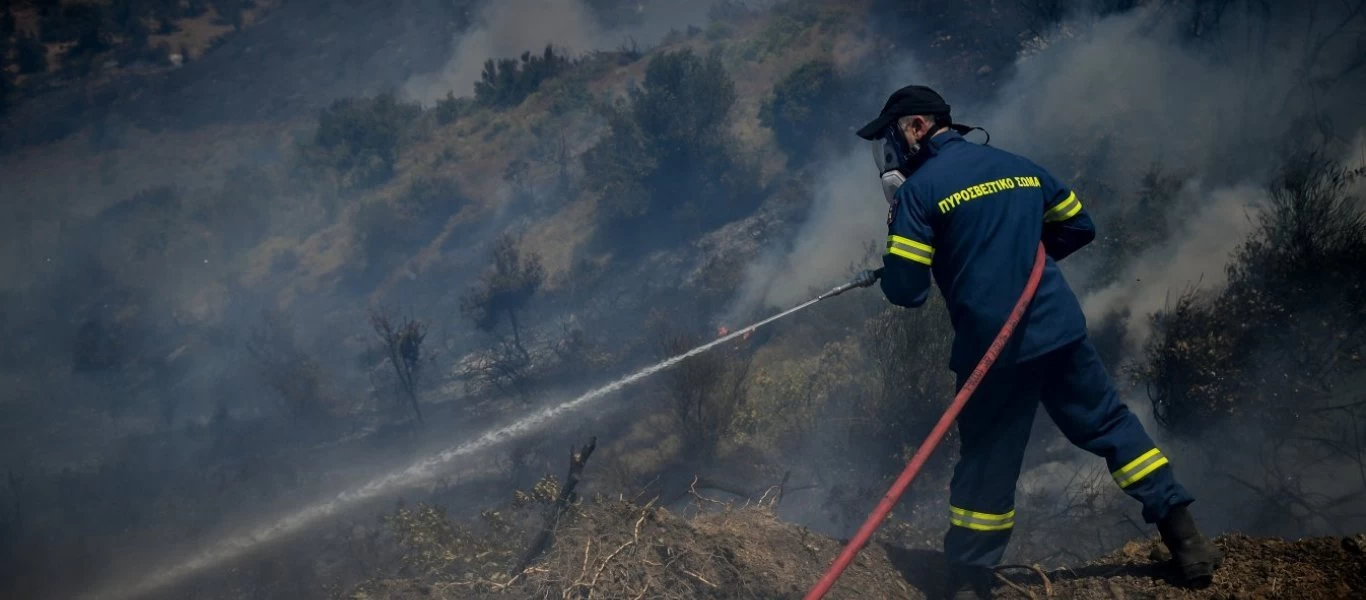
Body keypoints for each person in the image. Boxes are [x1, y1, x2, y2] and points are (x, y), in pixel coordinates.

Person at [850, 86, 1224, 600]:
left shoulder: (919, 192)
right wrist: (1015, 252)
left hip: (993, 353)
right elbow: (1079, 225)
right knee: (1111, 427)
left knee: (987, 463)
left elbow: (907, 292)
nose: (890, 152)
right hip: (1059, 332)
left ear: (917, 127)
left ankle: (969, 581)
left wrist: (912, 261)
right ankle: (1187, 541)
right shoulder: (1020, 167)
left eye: (892, 137)